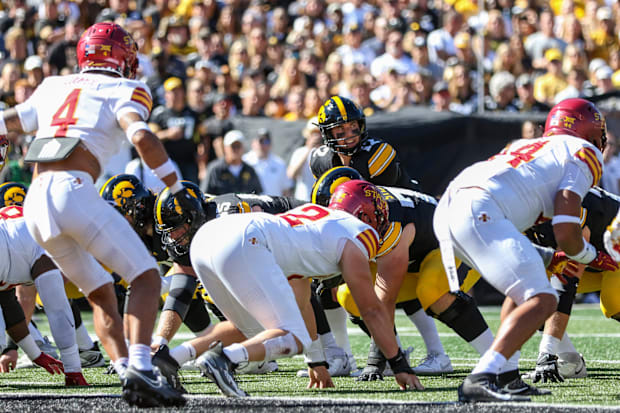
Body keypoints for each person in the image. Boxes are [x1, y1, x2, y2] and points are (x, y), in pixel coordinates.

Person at [3, 22, 200, 408]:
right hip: (72, 190)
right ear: (123, 58)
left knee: (101, 292)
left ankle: (127, 370)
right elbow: (142, 137)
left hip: (35, 203)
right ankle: (143, 370)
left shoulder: (53, 85)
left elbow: (8, 120)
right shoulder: (126, 88)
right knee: (145, 277)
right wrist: (175, 187)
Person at [433, 98, 616, 402]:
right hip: (480, 208)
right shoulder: (582, 152)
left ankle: (507, 376)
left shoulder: (526, 145)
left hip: (452, 204)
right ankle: (483, 375)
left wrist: (547, 256)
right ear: (590, 130)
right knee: (543, 299)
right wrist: (588, 255)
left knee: (521, 293)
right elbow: (565, 227)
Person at [189, 181, 424, 397]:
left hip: (208, 236)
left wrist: (316, 362)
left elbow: (301, 300)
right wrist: (399, 364)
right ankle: (225, 358)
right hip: (245, 239)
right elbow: (371, 309)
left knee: (248, 329)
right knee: (292, 335)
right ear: (368, 214)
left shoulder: (311, 227)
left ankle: (168, 359)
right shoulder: (357, 232)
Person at [524, 186, 620, 382]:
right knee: (528, 293)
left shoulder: (567, 201)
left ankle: (550, 356)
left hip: (615, 251)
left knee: (614, 301)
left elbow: (567, 280)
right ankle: (570, 361)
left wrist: (546, 352)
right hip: (597, 259)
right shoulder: (518, 211)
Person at [0, 203, 87, 386]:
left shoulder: (20, 231)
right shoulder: (46, 243)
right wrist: (73, 370)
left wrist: (36, 355)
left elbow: (10, 309)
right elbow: (58, 310)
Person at [309, 95, 416, 189]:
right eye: (340, 128)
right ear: (328, 133)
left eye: (353, 125)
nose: (349, 133)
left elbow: (384, 203)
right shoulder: (321, 160)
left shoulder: (376, 154)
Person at [201, 130, 263, 195]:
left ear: (243, 148)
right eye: (233, 146)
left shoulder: (250, 170)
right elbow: (204, 195)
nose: (236, 150)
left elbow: (258, 195)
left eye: (238, 146)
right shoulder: (215, 169)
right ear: (225, 148)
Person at [242, 128, 293, 196]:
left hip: (273, 205)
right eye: (260, 141)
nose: (263, 145)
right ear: (253, 143)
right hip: (250, 204)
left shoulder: (279, 164)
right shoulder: (244, 161)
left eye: (266, 142)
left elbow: (286, 190)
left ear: (270, 144)